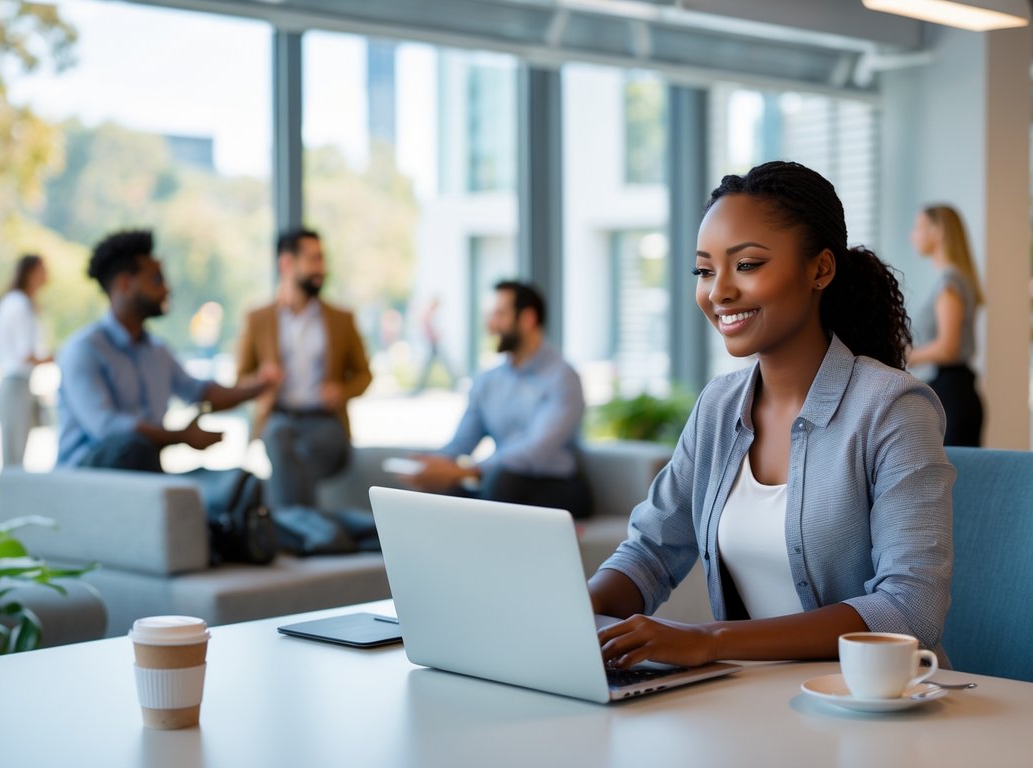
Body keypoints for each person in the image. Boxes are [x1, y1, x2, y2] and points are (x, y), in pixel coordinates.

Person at [589, 161, 954, 671]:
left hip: (869, 702)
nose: (718, 292)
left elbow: (910, 608)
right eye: (704, 270)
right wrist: (570, 611)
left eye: (747, 264)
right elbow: (649, 552)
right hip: (752, 699)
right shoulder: (718, 406)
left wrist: (710, 639)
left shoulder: (892, 408)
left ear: (820, 270)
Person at [56, 229, 278, 472]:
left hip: (144, 475)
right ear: (125, 284)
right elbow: (108, 427)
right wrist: (183, 436)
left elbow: (201, 392)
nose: (167, 289)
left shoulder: (157, 351)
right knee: (133, 448)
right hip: (87, 477)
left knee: (242, 483)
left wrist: (260, 387)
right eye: (156, 279)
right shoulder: (84, 349)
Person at [400, 281, 592, 519]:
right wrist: (433, 464)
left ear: (528, 318)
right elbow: (462, 442)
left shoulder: (562, 377)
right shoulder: (488, 380)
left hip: (555, 486)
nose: (490, 325)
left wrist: (468, 471)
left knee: (502, 479)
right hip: (499, 483)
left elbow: (536, 451)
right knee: (444, 488)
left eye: (499, 315)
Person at [235, 228, 373, 508]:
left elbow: (364, 375)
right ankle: (307, 523)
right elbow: (240, 380)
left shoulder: (341, 319)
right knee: (279, 438)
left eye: (322, 259)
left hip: (325, 421)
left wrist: (342, 391)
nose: (321, 268)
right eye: (313, 259)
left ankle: (287, 523)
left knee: (300, 453)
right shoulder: (258, 319)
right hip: (280, 416)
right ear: (287, 263)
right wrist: (261, 381)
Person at [906, 204, 985, 447]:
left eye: (918, 227)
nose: (912, 235)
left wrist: (908, 355)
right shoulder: (954, 279)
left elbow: (949, 347)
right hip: (954, 391)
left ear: (938, 230)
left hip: (953, 394)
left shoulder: (949, 283)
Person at [0, 254, 52, 467]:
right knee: (13, 460)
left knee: (15, 457)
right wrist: (56, 358)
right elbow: (26, 354)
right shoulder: (19, 304)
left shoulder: (17, 302)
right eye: (42, 270)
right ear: (31, 273)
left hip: (19, 386)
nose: (47, 276)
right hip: (15, 386)